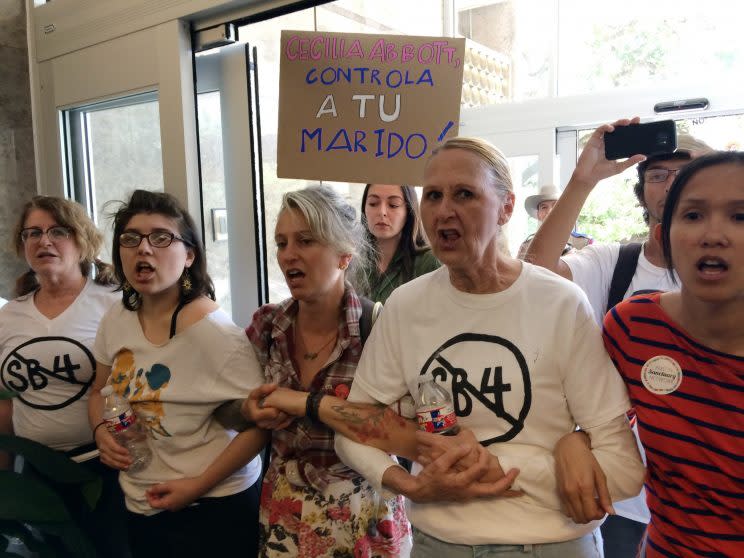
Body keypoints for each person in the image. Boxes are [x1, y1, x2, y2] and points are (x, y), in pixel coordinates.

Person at [253, 138, 645, 557]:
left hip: (553, 543)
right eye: (434, 196)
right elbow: (355, 431)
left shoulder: (560, 302)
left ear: (507, 207)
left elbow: (623, 472)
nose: (443, 211)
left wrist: (535, 458)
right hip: (439, 544)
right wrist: (407, 483)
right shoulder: (406, 307)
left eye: (464, 194)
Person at [524, 118, 713, 557]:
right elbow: (535, 276)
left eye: (684, 174)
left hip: (711, 492)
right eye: (657, 175)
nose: (670, 186)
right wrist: (583, 179)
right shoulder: (616, 263)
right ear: (642, 191)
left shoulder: (727, 274)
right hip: (625, 493)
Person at [88, 190, 266, 558]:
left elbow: (261, 428)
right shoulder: (116, 317)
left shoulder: (215, 333)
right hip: (140, 499)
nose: (144, 248)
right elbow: (97, 392)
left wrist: (197, 486)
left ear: (189, 256)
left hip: (213, 505)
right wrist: (100, 431)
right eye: (131, 238)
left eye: (161, 237)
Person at [237, 185, 410, 557]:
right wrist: (247, 411)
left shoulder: (376, 325)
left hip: (363, 513)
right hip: (286, 514)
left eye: (306, 240)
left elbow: (402, 431)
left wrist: (302, 402)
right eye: (282, 243)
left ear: (345, 255)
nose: (288, 255)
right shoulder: (268, 325)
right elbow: (230, 409)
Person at [590, 151, 744, 556]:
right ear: (663, 237)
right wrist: (571, 443)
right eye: (692, 215)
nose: (713, 234)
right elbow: (586, 416)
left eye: (740, 216)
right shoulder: (634, 328)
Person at [0, 195, 127, 557]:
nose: (44, 241)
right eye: (33, 233)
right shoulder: (9, 317)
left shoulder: (114, 304)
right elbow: (4, 404)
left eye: (58, 231)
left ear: (82, 239)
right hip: (37, 476)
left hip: (106, 468)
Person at [361, 183, 440, 303]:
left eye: (393, 205)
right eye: (373, 203)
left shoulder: (430, 263)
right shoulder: (353, 259)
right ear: (364, 208)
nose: (382, 212)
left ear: (409, 211)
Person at [516, 184, 591, 259]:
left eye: (556, 205)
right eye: (544, 207)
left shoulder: (583, 243)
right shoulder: (526, 247)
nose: (549, 211)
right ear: (538, 214)